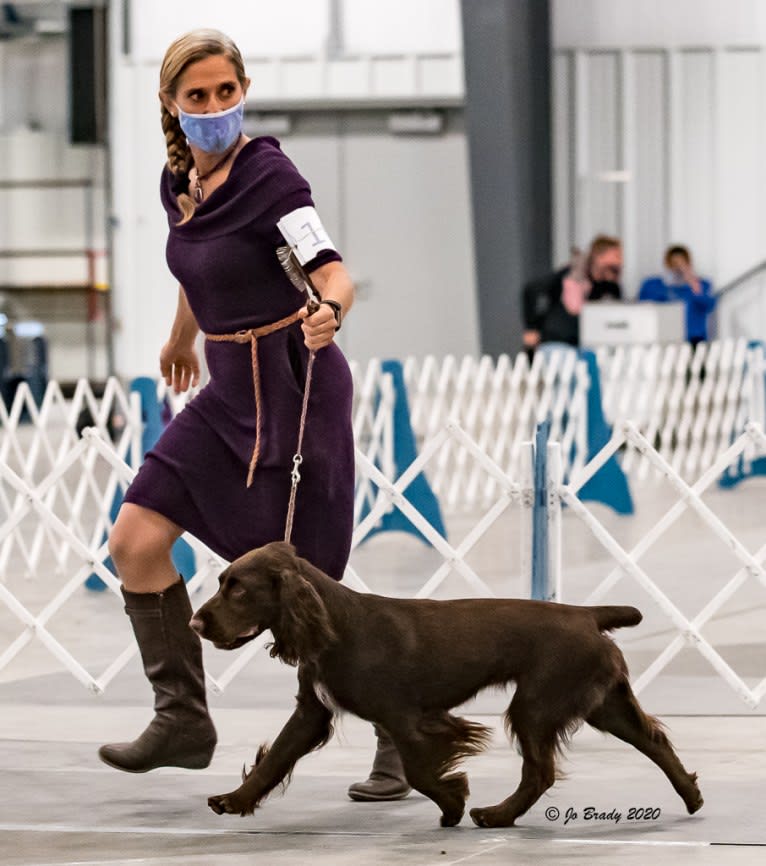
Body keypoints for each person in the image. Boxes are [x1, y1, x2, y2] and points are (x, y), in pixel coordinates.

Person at [98, 29, 410, 802]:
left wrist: (331, 310)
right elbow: (194, 258)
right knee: (134, 540)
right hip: (226, 391)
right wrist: (181, 335)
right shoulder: (177, 182)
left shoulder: (269, 174)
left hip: (296, 385)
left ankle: (402, 735)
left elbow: (330, 268)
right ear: (171, 104)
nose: (214, 108)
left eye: (225, 92)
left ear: (244, 90)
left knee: (316, 594)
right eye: (197, 96)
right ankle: (182, 720)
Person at [522, 235, 623, 357]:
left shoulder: (611, 287)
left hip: (588, 344)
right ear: (599, 256)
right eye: (616, 256)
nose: (619, 262)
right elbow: (533, 289)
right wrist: (532, 327)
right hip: (558, 341)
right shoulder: (571, 275)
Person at [638, 245, 716, 347]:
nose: (677, 269)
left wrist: (692, 282)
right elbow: (643, 307)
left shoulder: (701, 285)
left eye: (681, 264)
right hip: (663, 339)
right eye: (673, 264)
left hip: (693, 340)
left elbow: (708, 305)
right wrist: (666, 286)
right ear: (667, 264)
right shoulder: (654, 285)